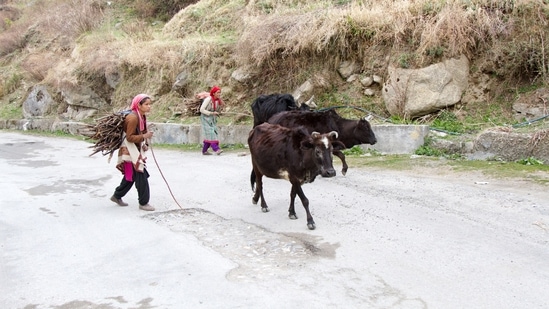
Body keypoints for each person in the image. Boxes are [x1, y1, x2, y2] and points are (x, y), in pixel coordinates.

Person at [110, 94, 155, 211]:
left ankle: (117, 195)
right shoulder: (133, 118)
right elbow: (130, 137)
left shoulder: (141, 116)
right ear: (138, 105)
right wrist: (145, 136)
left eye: (150, 104)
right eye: (146, 104)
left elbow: (139, 134)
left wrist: (144, 144)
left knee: (131, 176)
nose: (149, 107)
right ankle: (143, 203)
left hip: (134, 149)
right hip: (129, 150)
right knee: (141, 174)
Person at [200, 85, 224, 155]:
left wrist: (220, 110)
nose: (219, 94)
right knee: (211, 133)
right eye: (217, 93)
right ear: (213, 93)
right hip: (205, 119)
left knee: (210, 134)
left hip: (212, 119)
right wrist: (211, 113)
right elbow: (201, 110)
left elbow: (217, 110)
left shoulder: (218, 101)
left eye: (220, 92)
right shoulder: (208, 99)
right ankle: (216, 149)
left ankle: (204, 151)